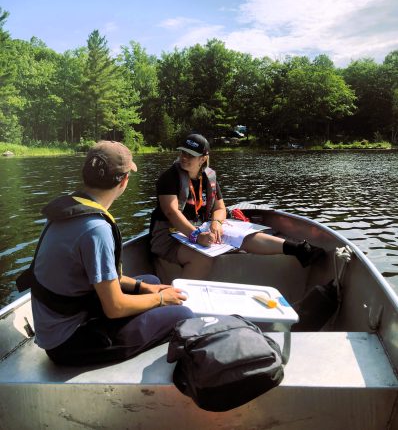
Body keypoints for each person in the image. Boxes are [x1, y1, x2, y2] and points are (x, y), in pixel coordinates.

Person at [25, 140, 193, 366]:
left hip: (60, 324)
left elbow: (101, 276)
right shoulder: (96, 229)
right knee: (183, 315)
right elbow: (114, 308)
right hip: (68, 343)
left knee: (151, 280)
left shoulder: (67, 210)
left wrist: (145, 288)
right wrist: (161, 298)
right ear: (124, 181)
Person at [150, 133, 325, 279]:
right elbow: (171, 212)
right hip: (169, 235)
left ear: (203, 159)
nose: (184, 157)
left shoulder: (208, 177)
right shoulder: (169, 177)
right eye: (183, 153)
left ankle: (298, 249)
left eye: (190, 155)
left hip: (199, 229)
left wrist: (216, 224)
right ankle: (178, 304)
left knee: (240, 234)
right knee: (202, 258)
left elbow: (219, 208)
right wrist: (196, 235)